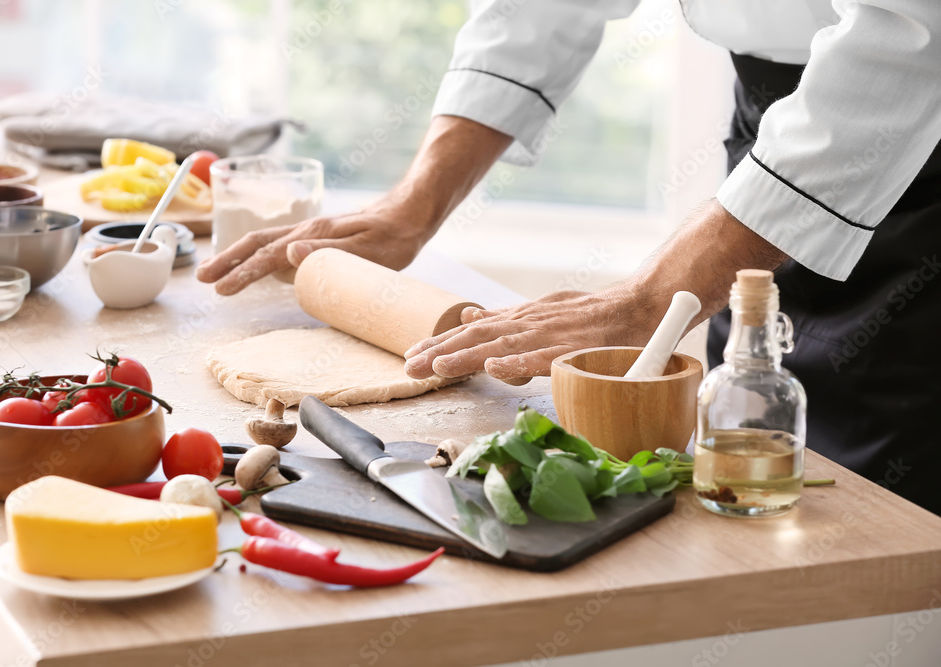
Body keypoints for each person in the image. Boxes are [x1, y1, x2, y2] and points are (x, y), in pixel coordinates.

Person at [198, 2, 941, 514]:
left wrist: (656, 292)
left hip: (913, 133)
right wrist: (414, 203)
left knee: (897, 522)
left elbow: (913, 34)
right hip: (774, 125)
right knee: (751, 455)